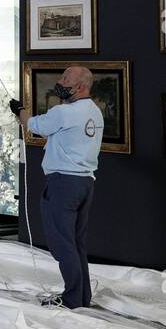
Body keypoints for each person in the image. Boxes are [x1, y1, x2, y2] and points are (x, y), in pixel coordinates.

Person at [13, 67, 104, 309]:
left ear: (81, 87)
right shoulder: (95, 112)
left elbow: (33, 125)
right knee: (76, 242)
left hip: (63, 184)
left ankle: (72, 299)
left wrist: (18, 110)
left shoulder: (63, 112)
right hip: (85, 184)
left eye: (65, 79)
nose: (59, 81)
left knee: (63, 244)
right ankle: (82, 296)